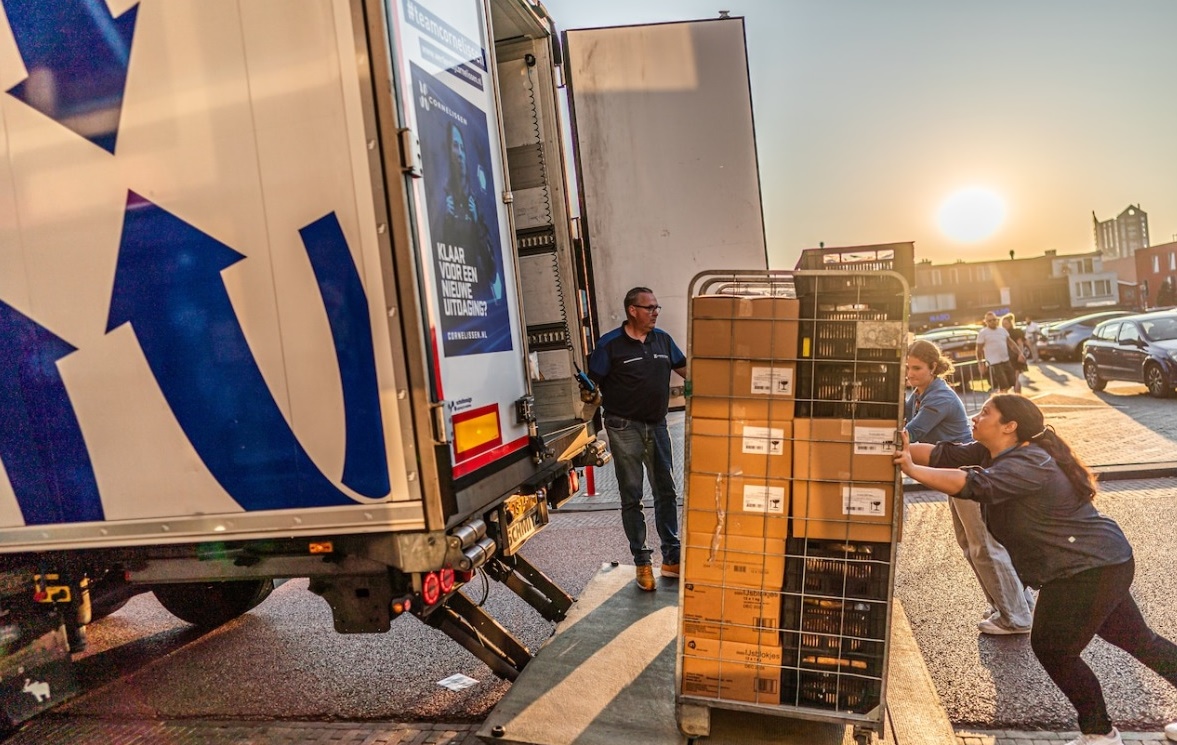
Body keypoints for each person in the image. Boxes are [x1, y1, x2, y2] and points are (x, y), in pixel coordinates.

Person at [895, 394, 1177, 745]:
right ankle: (1101, 732)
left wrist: (911, 470)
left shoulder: (1029, 461)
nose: (976, 416)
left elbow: (974, 485)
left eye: (985, 413)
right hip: (1100, 561)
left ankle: (1100, 733)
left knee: (1053, 648)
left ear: (1009, 426)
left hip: (1088, 568)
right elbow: (941, 453)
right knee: (1138, 641)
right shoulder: (993, 451)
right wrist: (900, 446)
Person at [905, 340, 1033, 635]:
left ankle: (1015, 617)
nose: (910, 373)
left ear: (933, 368)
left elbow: (911, 433)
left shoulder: (940, 398)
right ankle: (1013, 601)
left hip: (967, 472)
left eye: (916, 368)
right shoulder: (919, 394)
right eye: (907, 367)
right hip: (952, 472)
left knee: (983, 546)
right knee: (971, 544)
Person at [588, 287, 687, 591]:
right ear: (632, 310)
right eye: (649, 307)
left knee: (667, 491)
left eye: (657, 307)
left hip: (657, 426)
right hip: (623, 427)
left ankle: (672, 559)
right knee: (633, 495)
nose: (655, 312)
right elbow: (592, 385)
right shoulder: (610, 345)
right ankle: (642, 561)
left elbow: (688, 371)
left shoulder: (663, 341)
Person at [976, 311, 1015, 394]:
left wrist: (1020, 354)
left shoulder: (1002, 330)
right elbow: (979, 350)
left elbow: (1011, 343)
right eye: (989, 321)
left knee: (1012, 382)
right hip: (993, 363)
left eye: (994, 319)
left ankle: (999, 398)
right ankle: (1002, 402)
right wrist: (980, 364)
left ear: (997, 320)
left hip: (1006, 360)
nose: (993, 322)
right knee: (1003, 385)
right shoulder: (983, 333)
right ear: (986, 322)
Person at [1002, 313, 1029, 394]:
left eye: (1006, 323)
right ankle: (1016, 395)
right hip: (1006, 357)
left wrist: (1020, 354)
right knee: (1010, 378)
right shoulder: (1002, 332)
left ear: (1011, 323)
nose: (1004, 325)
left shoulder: (1016, 332)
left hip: (1014, 356)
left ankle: (1018, 396)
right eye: (1003, 324)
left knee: (1016, 378)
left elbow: (1020, 344)